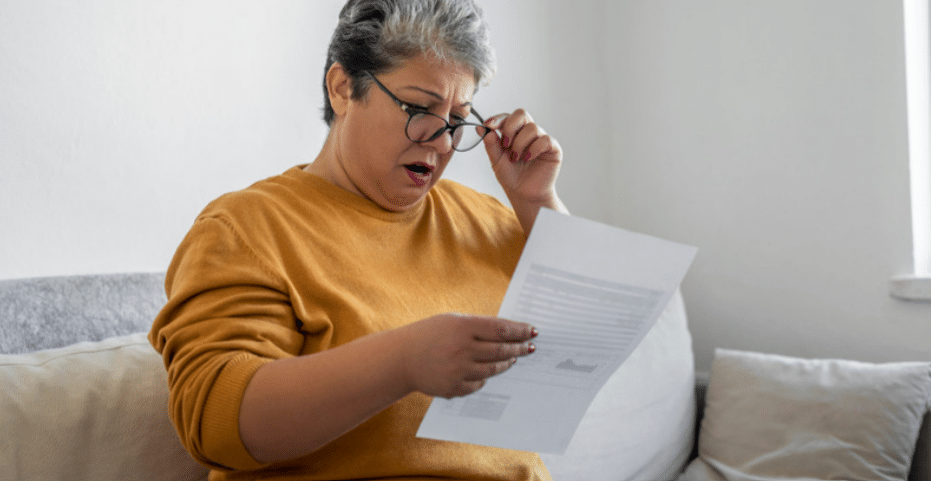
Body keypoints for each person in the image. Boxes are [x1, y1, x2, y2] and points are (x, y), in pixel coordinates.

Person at [149, 0, 568, 479]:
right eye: (420, 108)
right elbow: (215, 427)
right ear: (343, 88)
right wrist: (404, 362)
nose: (442, 141)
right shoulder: (248, 227)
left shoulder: (488, 219)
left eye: (458, 119)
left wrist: (538, 203)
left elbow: (589, 348)